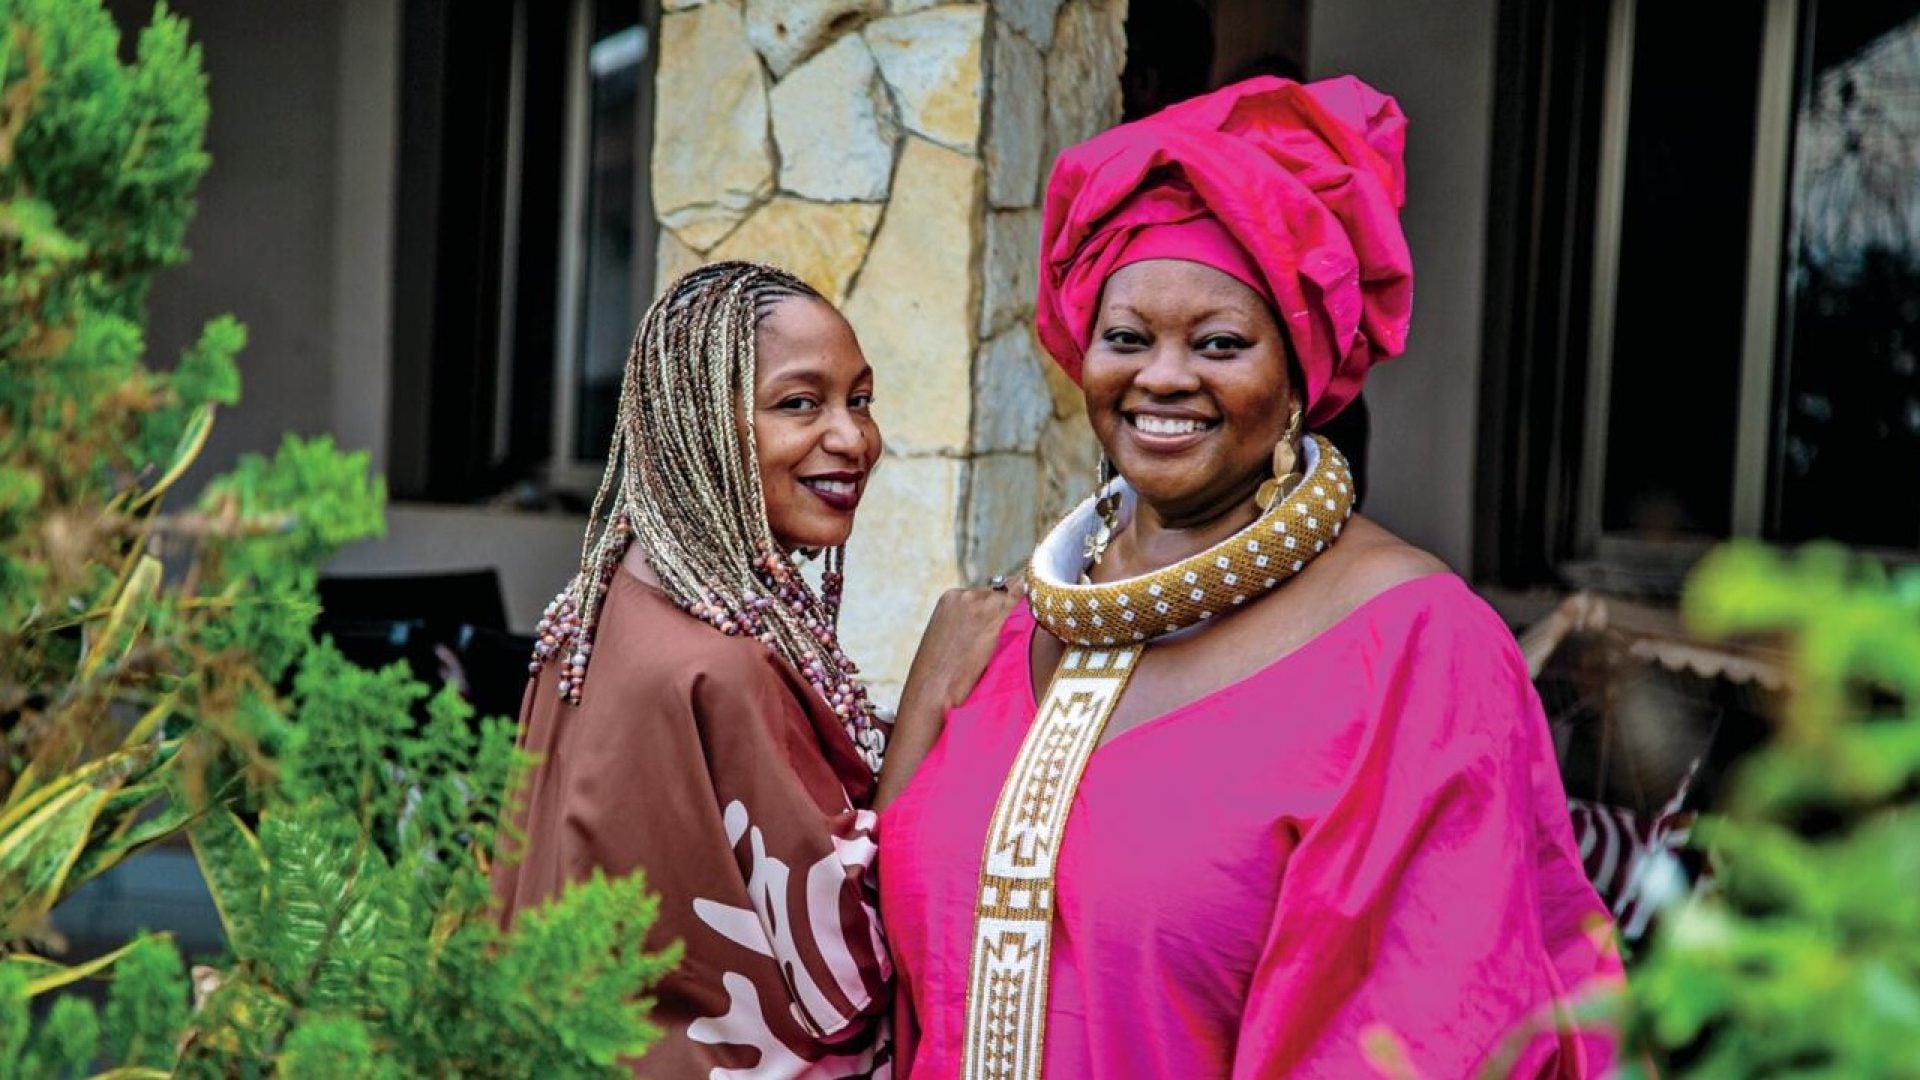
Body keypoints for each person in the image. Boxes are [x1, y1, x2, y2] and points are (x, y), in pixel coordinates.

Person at [878, 76, 1622, 1078]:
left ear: (1299, 376)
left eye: (1219, 342)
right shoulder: (1012, 629)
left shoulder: (1417, 655)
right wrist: (923, 709)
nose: (1164, 377)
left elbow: (1424, 1035)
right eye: (1126, 337)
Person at [494, 262, 909, 1077]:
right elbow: (845, 967)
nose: (852, 438)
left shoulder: (597, 606)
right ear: (699, 424)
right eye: (800, 403)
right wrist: (938, 686)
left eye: (858, 399)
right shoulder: (723, 664)